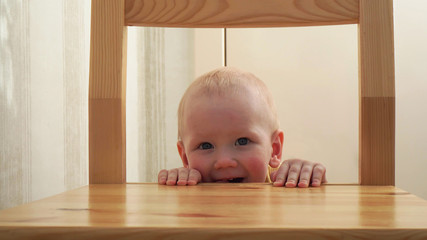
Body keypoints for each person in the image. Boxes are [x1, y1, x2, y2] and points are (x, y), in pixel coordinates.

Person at [158, 67, 327, 187]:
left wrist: (308, 177)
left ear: (274, 149)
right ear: (186, 158)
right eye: (205, 146)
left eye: (243, 141)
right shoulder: (189, 188)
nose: (224, 162)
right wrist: (175, 185)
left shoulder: (284, 185)